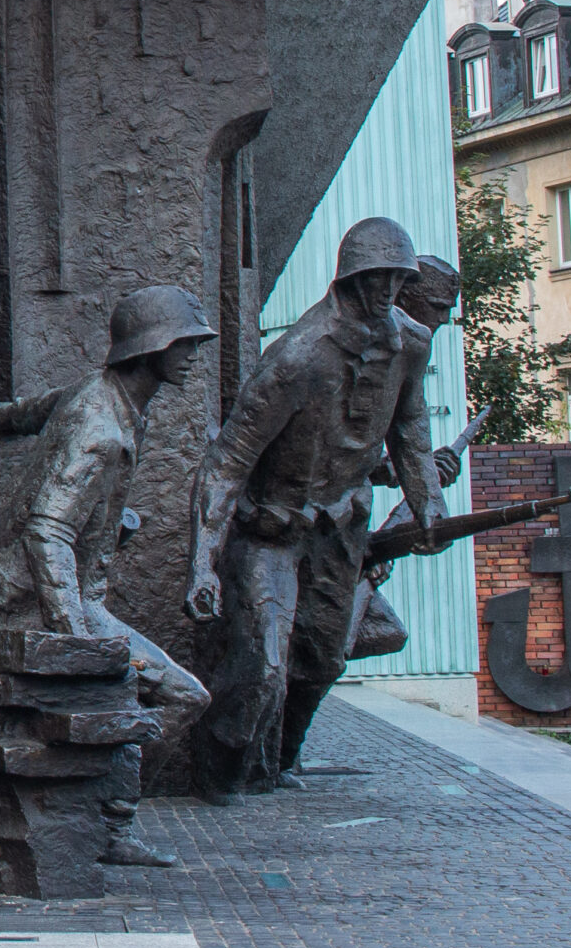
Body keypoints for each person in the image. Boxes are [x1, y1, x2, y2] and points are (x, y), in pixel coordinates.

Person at [0, 286, 218, 866]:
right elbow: (49, 530)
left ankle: (106, 820)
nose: (195, 355)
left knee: (138, 690)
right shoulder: (102, 430)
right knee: (185, 697)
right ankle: (109, 824)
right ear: (152, 350)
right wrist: (76, 634)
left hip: (47, 590)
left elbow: (47, 404)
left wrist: (9, 417)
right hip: (33, 602)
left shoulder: (108, 397)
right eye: (186, 344)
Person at [186, 218, 442, 799]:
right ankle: (221, 770)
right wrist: (202, 562)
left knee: (324, 658)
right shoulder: (297, 358)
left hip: (341, 529)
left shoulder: (411, 344)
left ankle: (279, 762)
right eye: (373, 278)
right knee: (264, 667)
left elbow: (410, 424)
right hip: (271, 529)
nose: (384, 291)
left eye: (395, 279)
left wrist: (428, 501)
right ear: (348, 279)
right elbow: (227, 461)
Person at [347, 256, 467, 663]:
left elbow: (405, 441)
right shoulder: (352, 347)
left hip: (352, 528)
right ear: (405, 296)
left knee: (386, 633)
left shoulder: (409, 354)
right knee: (324, 653)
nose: (443, 320)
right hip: (316, 524)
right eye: (438, 307)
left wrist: (424, 481)